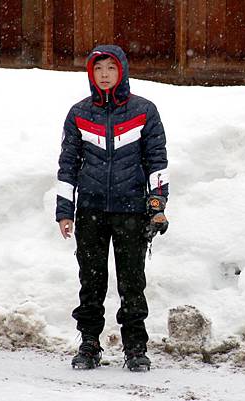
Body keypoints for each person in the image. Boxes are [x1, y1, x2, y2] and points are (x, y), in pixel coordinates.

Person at [56, 44, 169, 371]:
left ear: (122, 71)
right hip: (90, 210)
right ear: (92, 74)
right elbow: (67, 164)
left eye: (111, 69)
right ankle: (89, 344)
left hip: (131, 211)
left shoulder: (144, 111)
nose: (105, 75)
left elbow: (156, 162)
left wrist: (157, 204)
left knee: (132, 282)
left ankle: (135, 347)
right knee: (91, 281)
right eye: (98, 69)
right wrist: (65, 211)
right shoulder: (78, 113)